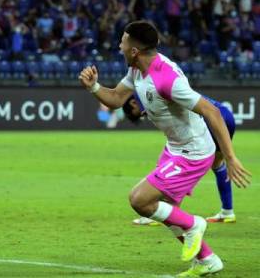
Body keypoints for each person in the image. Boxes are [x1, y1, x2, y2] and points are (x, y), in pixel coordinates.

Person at [78, 20, 251, 277]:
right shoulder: (137, 70)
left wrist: (230, 156)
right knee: (167, 212)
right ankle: (207, 260)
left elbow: (212, 111)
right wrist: (93, 87)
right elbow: (115, 98)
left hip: (192, 152)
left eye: (123, 41)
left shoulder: (166, 80)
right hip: (175, 147)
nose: (119, 45)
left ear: (134, 50)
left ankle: (195, 224)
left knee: (140, 200)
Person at [122, 94, 237, 225]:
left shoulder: (144, 92)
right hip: (225, 114)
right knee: (217, 164)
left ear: (133, 103)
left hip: (208, 119)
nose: (142, 115)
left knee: (177, 161)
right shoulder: (170, 85)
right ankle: (228, 211)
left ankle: (164, 212)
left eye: (138, 114)